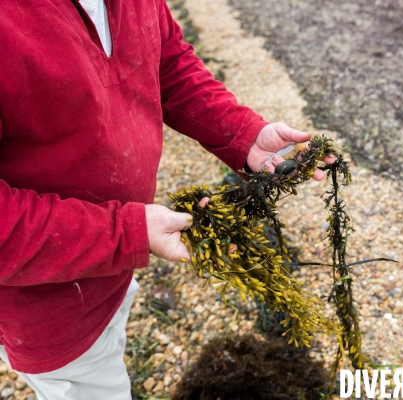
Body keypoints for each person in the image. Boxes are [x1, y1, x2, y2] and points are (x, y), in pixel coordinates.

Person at [0, 1, 334, 398]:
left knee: (114, 322)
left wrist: (242, 134)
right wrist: (129, 235)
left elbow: (168, 61)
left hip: (113, 264)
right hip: (48, 309)